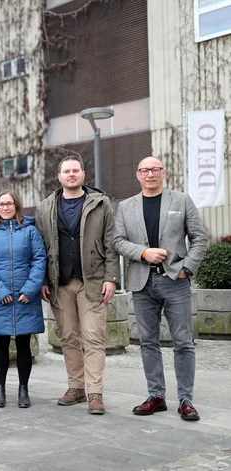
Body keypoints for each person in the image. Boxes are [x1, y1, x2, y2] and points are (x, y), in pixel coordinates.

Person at [113, 156, 208, 421]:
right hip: (142, 283)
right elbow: (118, 241)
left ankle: (186, 400)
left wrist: (186, 269)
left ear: (163, 173)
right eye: (145, 170)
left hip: (175, 281)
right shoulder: (126, 206)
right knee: (147, 342)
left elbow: (199, 238)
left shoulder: (181, 200)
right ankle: (156, 396)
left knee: (183, 342)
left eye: (155, 169)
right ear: (138, 175)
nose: (150, 174)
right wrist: (143, 252)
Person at [35, 155, 118, 415]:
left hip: (92, 281)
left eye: (75, 170)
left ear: (83, 174)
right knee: (68, 338)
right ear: (59, 177)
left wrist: (110, 278)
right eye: (66, 171)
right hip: (59, 283)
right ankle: (76, 387)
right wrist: (43, 281)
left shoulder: (100, 203)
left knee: (94, 338)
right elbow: (41, 247)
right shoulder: (45, 207)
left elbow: (111, 244)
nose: (71, 175)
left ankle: (95, 393)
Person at [0, 191, 46, 408]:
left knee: (24, 343)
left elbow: (39, 259)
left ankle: (23, 390)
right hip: (1, 298)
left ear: (17, 206)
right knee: (1, 343)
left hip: (26, 296)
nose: (5, 207)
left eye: (9, 204)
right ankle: (0, 390)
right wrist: (0, 291)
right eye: (1, 204)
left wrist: (30, 288)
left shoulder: (30, 231)